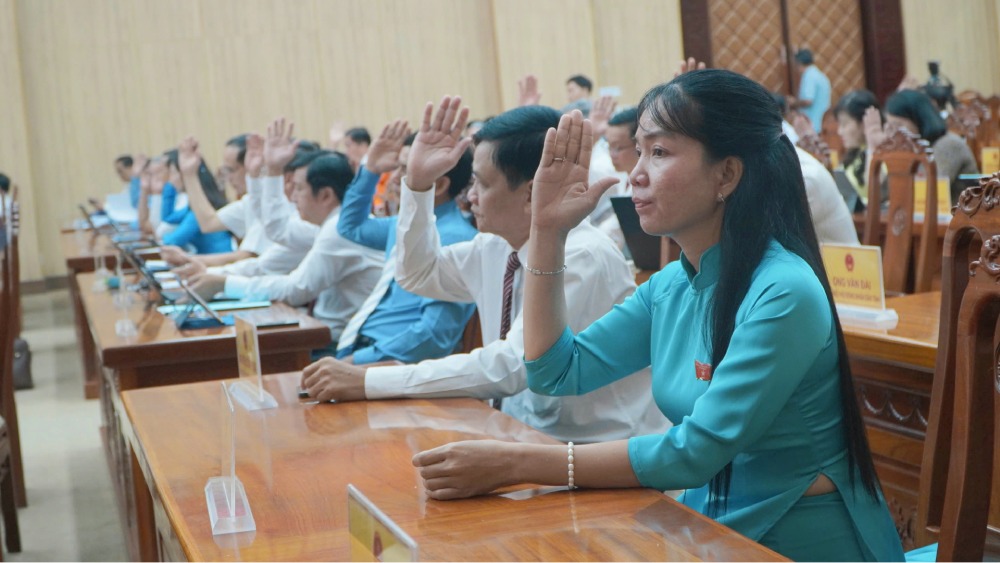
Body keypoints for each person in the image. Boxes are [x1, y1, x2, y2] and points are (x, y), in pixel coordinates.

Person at [410, 71, 904, 562]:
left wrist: (519, 463)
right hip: (704, 527)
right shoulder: (672, 283)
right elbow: (554, 370)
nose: (636, 175)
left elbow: (693, 452)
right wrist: (546, 230)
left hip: (796, 542)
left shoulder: (784, 291)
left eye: (660, 152)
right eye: (639, 151)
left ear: (726, 175)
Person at [300, 97, 667, 444]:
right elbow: (416, 274)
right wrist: (418, 185)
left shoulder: (583, 253)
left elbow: (509, 367)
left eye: (482, 183)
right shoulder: (495, 245)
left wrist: (370, 380)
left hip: (597, 451)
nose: (469, 196)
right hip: (523, 436)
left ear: (530, 193)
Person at [188, 121, 383, 345]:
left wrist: (223, 283)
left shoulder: (338, 229)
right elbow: (278, 229)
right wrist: (270, 171)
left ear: (326, 196)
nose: (292, 196)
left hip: (345, 342)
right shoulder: (331, 223)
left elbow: (295, 289)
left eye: (299, 188)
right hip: (326, 331)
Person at [334, 121, 478, 364]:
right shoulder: (400, 224)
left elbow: (434, 335)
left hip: (391, 362)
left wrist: (358, 361)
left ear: (440, 184)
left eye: (405, 170)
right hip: (363, 348)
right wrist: (370, 169)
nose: (393, 179)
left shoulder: (455, 239)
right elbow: (350, 227)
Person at [869, 88, 979, 201]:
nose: (893, 132)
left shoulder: (949, 145)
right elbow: (880, 196)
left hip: (959, 216)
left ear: (919, 119)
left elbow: (926, 195)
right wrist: (876, 150)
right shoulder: (908, 148)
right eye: (890, 126)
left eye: (898, 125)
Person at [159, 148, 233, 255]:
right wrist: (168, 190)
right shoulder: (194, 205)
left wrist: (165, 237)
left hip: (218, 265)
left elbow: (172, 241)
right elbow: (167, 219)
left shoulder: (200, 209)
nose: (170, 180)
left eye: (173, 173)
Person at [833, 89, 881, 209]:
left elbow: (873, 191)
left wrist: (872, 146)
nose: (840, 131)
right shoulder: (853, 154)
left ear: (864, 123)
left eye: (844, 124)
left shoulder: (881, 153)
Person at [791, 49, 831, 133]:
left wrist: (794, 103)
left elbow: (808, 100)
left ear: (799, 63)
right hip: (822, 123)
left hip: (813, 125)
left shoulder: (809, 76)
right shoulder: (819, 75)